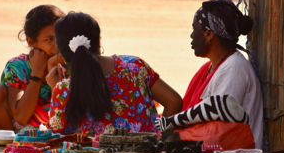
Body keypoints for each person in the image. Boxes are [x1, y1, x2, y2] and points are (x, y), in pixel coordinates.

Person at [46, 11, 183, 136]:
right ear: (98, 41)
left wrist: (56, 89)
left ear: (63, 53)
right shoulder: (135, 65)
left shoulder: (64, 89)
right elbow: (174, 101)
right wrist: (161, 141)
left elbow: (54, 137)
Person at [184, 0, 263, 148]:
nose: (192, 35)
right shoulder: (214, 67)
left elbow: (219, 132)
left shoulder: (233, 70)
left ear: (208, 34)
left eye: (194, 28)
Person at [0, 5, 66, 132]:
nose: (57, 45)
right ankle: (7, 148)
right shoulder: (18, 67)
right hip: (18, 133)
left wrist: (52, 72)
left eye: (61, 37)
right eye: (49, 39)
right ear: (31, 42)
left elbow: (62, 111)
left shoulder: (69, 64)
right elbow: (21, 117)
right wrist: (37, 72)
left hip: (57, 129)